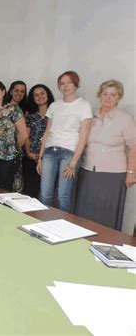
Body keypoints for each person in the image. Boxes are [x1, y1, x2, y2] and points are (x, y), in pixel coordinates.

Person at [74, 80, 135, 230]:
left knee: (106, 214)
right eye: (105, 94)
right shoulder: (89, 116)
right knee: (84, 211)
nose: (108, 98)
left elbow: (134, 147)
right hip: (88, 170)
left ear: (118, 98)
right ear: (99, 95)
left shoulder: (125, 119)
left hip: (113, 174)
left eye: (113, 94)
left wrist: (131, 173)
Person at [37, 71, 92, 212]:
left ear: (76, 85)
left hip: (69, 154)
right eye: (62, 83)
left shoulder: (84, 106)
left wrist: (73, 162)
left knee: (63, 195)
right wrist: (40, 158)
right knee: (45, 195)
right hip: (50, 151)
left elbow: (84, 136)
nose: (65, 86)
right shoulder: (54, 106)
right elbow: (47, 132)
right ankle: (42, 226)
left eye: (69, 82)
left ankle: (62, 228)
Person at [23, 84, 54, 198]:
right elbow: (26, 135)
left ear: (48, 95)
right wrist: (28, 153)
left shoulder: (54, 113)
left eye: (42, 93)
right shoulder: (30, 115)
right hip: (31, 156)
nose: (39, 96)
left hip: (49, 156)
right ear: (33, 98)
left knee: (46, 192)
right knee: (30, 190)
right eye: (36, 95)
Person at [9, 80, 28, 192]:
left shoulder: (24, 110)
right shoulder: (4, 107)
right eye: (16, 90)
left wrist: (15, 149)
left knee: (15, 184)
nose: (19, 94)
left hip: (16, 152)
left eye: (22, 91)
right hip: (1, 153)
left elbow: (24, 134)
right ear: (10, 91)